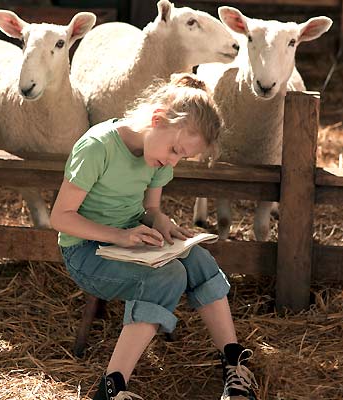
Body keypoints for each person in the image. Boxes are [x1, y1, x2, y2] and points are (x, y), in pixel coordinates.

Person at [50, 73, 258, 400]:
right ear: (157, 119)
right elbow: (60, 218)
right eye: (175, 150)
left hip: (132, 240)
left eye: (182, 157)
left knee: (199, 259)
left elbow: (149, 209)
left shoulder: (159, 156)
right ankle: (112, 388)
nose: (173, 162)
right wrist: (119, 235)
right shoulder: (98, 147)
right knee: (168, 276)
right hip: (86, 252)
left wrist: (160, 219)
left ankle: (233, 364)